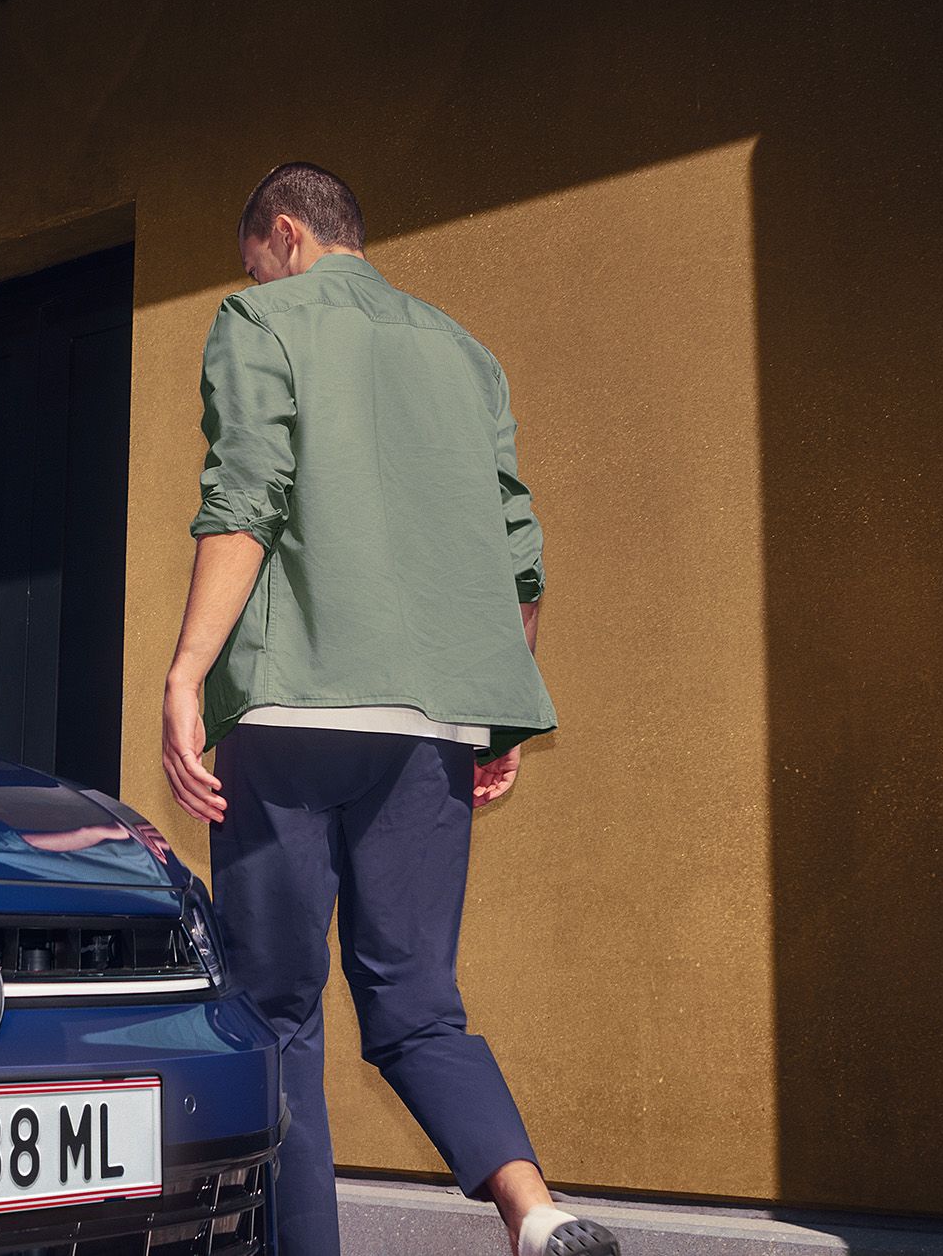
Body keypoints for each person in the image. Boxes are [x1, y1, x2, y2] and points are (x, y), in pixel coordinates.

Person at [162, 164, 615, 1256]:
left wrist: (185, 672)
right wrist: (494, 717)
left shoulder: (257, 318)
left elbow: (246, 492)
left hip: (295, 710)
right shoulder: (463, 353)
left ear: (285, 235)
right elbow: (521, 550)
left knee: (275, 1008)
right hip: (432, 728)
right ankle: (536, 1213)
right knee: (416, 1001)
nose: (256, 277)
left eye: (256, 259)